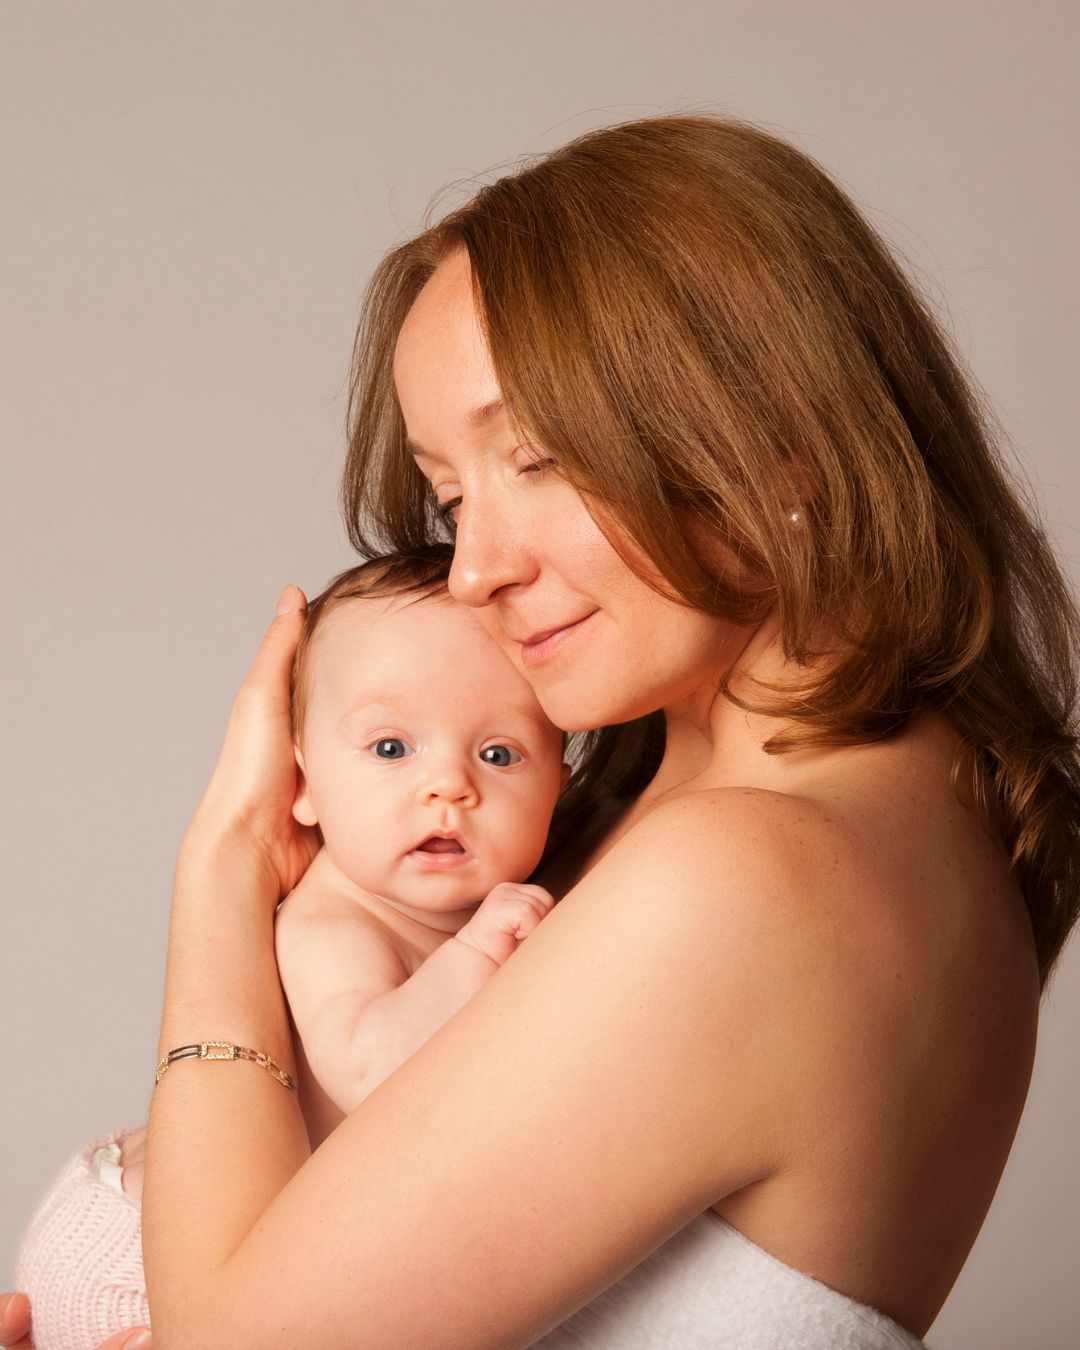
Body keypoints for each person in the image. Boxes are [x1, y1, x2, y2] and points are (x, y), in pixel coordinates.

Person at [3, 110, 1078, 1350]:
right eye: (453, 495)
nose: (473, 570)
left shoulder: (748, 877)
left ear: (785, 442)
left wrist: (225, 874)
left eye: (543, 460)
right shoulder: (828, 803)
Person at [10, 549, 574, 1350]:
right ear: (300, 784)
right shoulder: (332, 922)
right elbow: (370, 1067)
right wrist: (483, 948)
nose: (450, 786)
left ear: (559, 781)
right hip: (136, 1250)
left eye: (499, 754)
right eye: (390, 749)